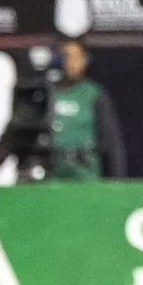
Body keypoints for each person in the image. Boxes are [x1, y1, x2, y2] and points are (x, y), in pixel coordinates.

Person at [49, 39, 127, 180]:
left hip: (85, 174)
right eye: (67, 57)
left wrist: (118, 183)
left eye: (77, 58)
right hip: (51, 176)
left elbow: (112, 143)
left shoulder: (94, 94)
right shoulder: (44, 94)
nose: (72, 63)